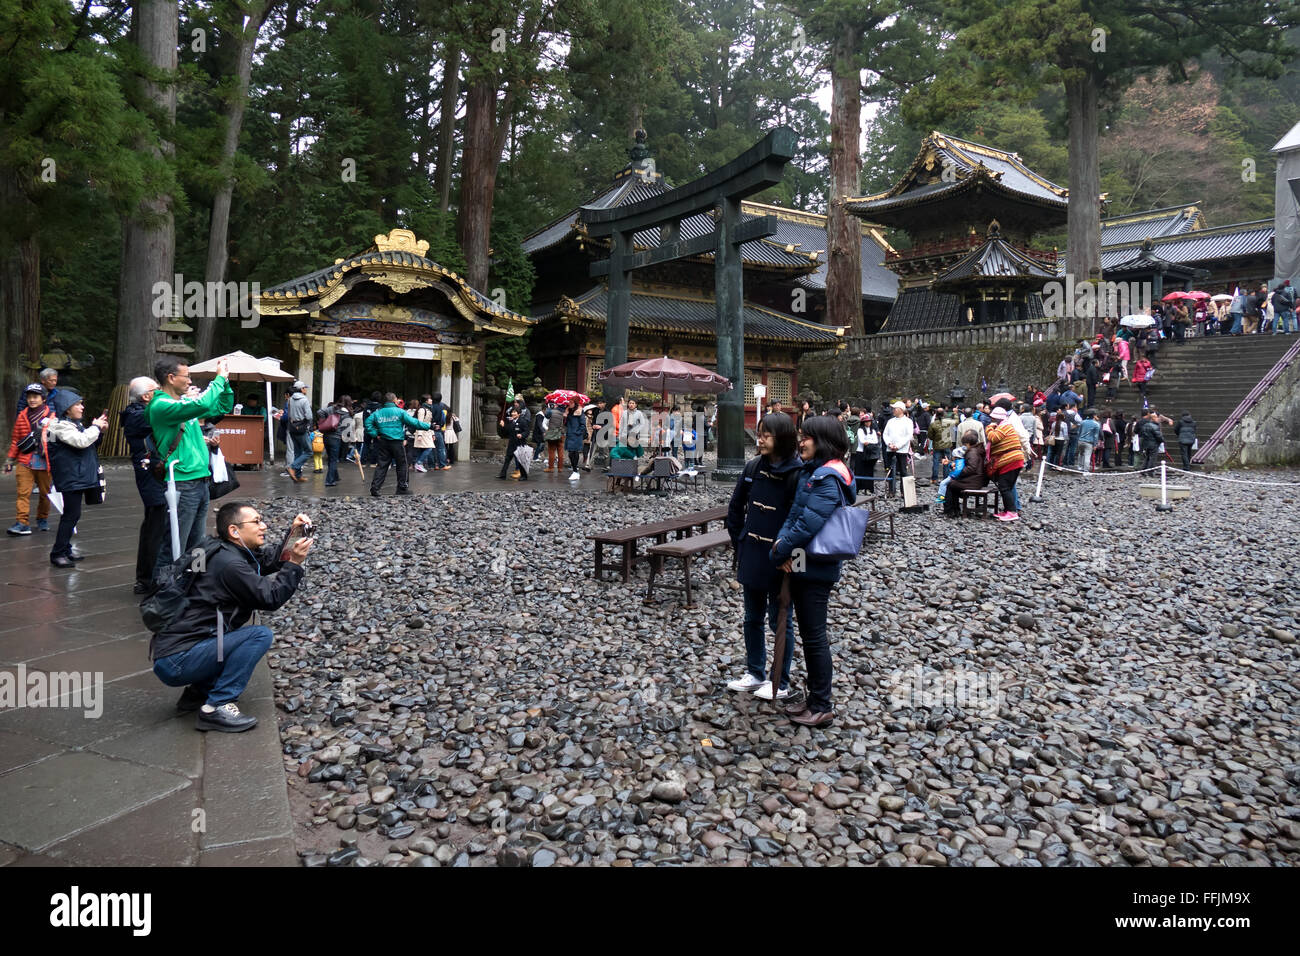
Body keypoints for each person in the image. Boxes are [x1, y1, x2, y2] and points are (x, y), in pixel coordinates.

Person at [151, 502, 313, 732]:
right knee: (258, 636)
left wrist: (292, 535)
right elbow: (271, 598)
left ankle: (199, 691)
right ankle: (218, 705)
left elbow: (264, 561)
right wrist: (295, 563)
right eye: (256, 522)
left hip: (173, 652)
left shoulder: (222, 549)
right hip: (178, 659)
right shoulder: (230, 564)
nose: (264, 526)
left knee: (229, 635)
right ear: (234, 531)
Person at [770, 415, 856, 727]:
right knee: (809, 633)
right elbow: (797, 515)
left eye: (805, 436)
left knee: (815, 634)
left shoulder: (827, 478)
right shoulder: (817, 473)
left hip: (818, 565)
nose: (800, 441)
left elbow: (808, 523)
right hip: (807, 559)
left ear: (822, 441)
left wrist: (780, 549)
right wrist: (784, 546)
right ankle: (815, 698)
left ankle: (822, 704)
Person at [725, 413, 803, 702]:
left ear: (781, 438)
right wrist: (741, 543)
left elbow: (803, 522)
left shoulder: (799, 473)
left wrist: (795, 559)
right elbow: (735, 510)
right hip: (752, 553)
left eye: (766, 435)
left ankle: (780, 681)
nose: (760, 439)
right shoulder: (753, 466)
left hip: (783, 558)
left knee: (781, 620)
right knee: (751, 617)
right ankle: (755, 672)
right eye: (759, 434)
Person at [149, 357, 233, 575]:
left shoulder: (183, 404)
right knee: (175, 542)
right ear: (171, 378)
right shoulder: (161, 405)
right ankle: (162, 592)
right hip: (182, 482)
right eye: (186, 376)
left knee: (198, 544)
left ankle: (194, 583)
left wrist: (225, 383)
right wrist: (219, 378)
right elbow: (203, 404)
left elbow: (223, 406)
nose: (189, 381)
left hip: (200, 481)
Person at [45, 391, 108, 568]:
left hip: (76, 476)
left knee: (73, 515)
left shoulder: (73, 424)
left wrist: (99, 432)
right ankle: (57, 553)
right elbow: (80, 441)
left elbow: (88, 445)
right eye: (78, 404)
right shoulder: (60, 426)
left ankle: (65, 550)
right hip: (70, 477)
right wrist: (95, 427)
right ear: (66, 409)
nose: (82, 407)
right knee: (70, 515)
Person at [119, 377, 167, 592]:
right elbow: (164, 419)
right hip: (152, 475)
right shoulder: (137, 415)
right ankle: (148, 578)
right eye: (157, 390)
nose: (161, 392)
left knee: (155, 525)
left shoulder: (139, 412)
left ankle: (149, 577)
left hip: (154, 475)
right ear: (146, 396)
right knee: (155, 527)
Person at [5, 383, 56, 536]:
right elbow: (16, 440)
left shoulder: (52, 417)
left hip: (44, 461)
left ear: (43, 399)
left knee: (45, 493)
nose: (32, 400)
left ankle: (42, 518)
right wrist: (9, 461)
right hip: (25, 460)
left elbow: (54, 442)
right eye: (29, 397)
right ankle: (22, 522)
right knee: (23, 493)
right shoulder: (22, 416)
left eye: (35, 397)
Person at [366, 393, 430, 496]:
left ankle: (375, 488)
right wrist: (427, 426)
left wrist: (375, 433)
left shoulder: (378, 412)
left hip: (383, 441)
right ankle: (402, 488)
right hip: (397, 442)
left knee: (382, 465)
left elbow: (368, 422)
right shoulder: (400, 412)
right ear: (394, 400)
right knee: (402, 465)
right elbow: (413, 422)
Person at [986, 407, 1025, 521]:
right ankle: (1009, 510)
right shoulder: (1005, 425)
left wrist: (989, 428)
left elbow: (994, 437)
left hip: (1010, 460)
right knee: (1008, 486)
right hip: (1014, 459)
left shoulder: (1004, 426)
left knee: (1004, 486)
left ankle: (1012, 512)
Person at [942, 432, 987, 517]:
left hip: (973, 482)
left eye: (965, 444)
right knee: (953, 485)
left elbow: (971, 468)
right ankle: (955, 509)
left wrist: (959, 473)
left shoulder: (972, 452)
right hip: (976, 480)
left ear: (968, 444)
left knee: (951, 485)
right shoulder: (975, 450)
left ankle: (950, 510)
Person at [882, 400, 912, 497]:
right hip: (890, 449)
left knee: (903, 471)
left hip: (902, 450)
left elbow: (908, 436)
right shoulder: (890, 421)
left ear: (900, 410)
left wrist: (898, 446)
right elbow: (885, 434)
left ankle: (904, 491)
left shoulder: (908, 421)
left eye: (895, 408)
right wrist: (889, 444)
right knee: (890, 470)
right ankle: (891, 490)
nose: (893, 410)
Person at [284, 381, 314, 481]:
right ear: (301, 389)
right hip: (301, 428)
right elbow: (309, 416)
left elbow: (289, 414)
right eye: (305, 388)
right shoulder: (304, 400)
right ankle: (293, 467)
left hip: (292, 427)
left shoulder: (290, 399)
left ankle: (297, 475)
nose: (306, 389)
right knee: (309, 451)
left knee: (298, 452)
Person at [496, 406, 530, 481]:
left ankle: (524, 476)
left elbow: (527, 431)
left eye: (515, 412)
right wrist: (503, 426)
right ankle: (503, 474)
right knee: (507, 459)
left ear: (519, 414)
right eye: (512, 412)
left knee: (520, 460)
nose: (513, 413)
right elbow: (507, 431)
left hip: (520, 443)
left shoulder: (523, 421)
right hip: (511, 443)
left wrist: (522, 435)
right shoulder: (511, 421)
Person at [853, 409, 880, 491]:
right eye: (866, 421)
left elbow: (875, 441)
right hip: (861, 452)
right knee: (859, 470)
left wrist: (868, 442)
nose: (868, 423)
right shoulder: (860, 430)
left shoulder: (873, 431)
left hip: (870, 453)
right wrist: (869, 442)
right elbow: (862, 441)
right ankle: (858, 487)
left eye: (869, 421)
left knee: (869, 471)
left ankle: (868, 488)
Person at [564, 400, 586, 480]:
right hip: (570, 434)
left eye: (571, 403)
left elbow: (583, 424)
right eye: (569, 403)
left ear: (575, 403)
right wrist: (565, 416)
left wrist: (578, 432)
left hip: (576, 435)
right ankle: (574, 470)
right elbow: (565, 424)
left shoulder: (580, 411)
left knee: (575, 452)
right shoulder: (568, 411)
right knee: (570, 453)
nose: (569, 404)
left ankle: (575, 470)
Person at [1076, 409, 1102, 474]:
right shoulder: (1096, 424)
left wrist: (1078, 439)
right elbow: (1096, 436)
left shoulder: (1083, 422)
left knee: (1081, 454)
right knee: (1087, 455)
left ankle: (1080, 467)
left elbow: (1078, 431)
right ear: (1093, 416)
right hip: (1089, 442)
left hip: (1080, 440)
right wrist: (1095, 445)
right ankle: (1086, 470)